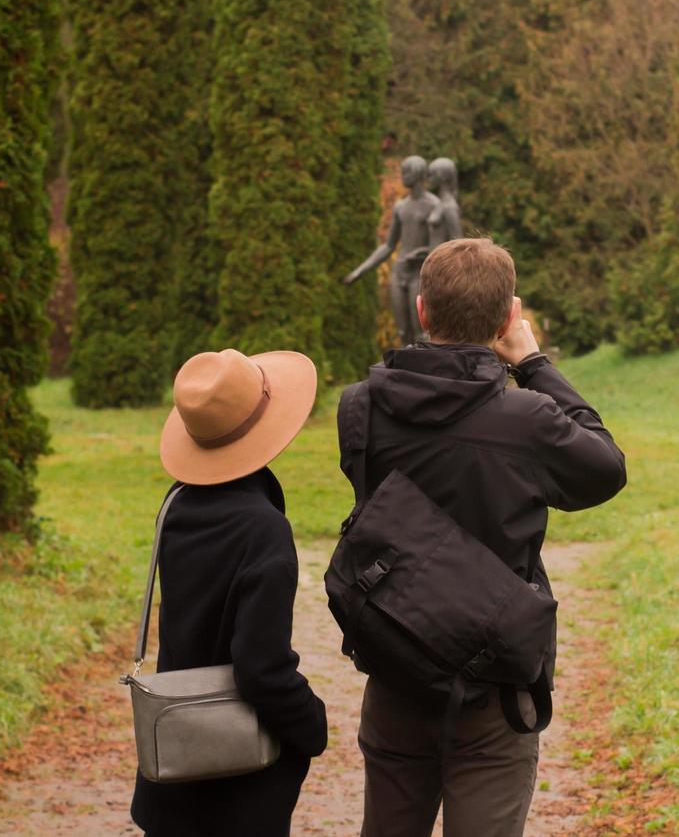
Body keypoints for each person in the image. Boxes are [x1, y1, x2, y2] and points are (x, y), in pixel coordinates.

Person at [337, 237, 627, 837]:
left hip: (396, 662)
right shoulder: (526, 421)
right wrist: (535, 363)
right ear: (506, 320)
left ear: (420, 311)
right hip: (492, 677)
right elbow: (605, 467)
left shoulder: (359, 407)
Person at [131, 347, 328, 837]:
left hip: (177, 759)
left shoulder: (175, 506)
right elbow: (261, 669)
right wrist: (311, 725)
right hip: (240, 782)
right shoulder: (262, 529)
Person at [342, 155, 444, 345]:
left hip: (419, 274)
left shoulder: (434, 205)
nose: (402, 176)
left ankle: (422, 370)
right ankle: (404, 371)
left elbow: (439, 248)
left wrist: (422, 253)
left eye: (407, 171)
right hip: (399, 273)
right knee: (403, 331)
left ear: (418, 173)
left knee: (421, 331)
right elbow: (388, 245)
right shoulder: (400, 206)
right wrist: (359, 271)